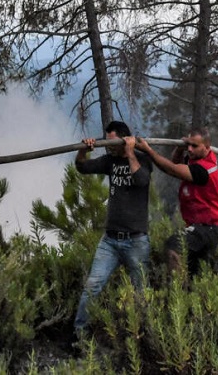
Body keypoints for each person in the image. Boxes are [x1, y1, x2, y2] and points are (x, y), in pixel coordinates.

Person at [73, 121, 153, 339]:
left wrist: (130, 152)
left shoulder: (143, 158)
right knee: (92, 287)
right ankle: (80, 337)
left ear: (124, 139)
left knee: (141, 292)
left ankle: (145, 336)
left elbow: (141, 180)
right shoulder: (109, 161)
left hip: (136, 241)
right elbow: (82, 167)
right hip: (109, 241)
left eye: (112, 142)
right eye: (106, 142)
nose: (109, 146)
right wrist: (83, 150)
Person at [136, 128, 218, 275]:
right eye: (188, 145)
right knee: (195, 272)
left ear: (207, 147)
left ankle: (176, 290)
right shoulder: (197, 158)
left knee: (174, 245)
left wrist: (148, 150)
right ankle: (189, 293)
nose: (189, 149)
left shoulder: (203, 170)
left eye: (194, 146)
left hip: (207, 228)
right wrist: (179, 149)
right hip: (205, 227)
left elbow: (171, 169)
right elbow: (176, 162)